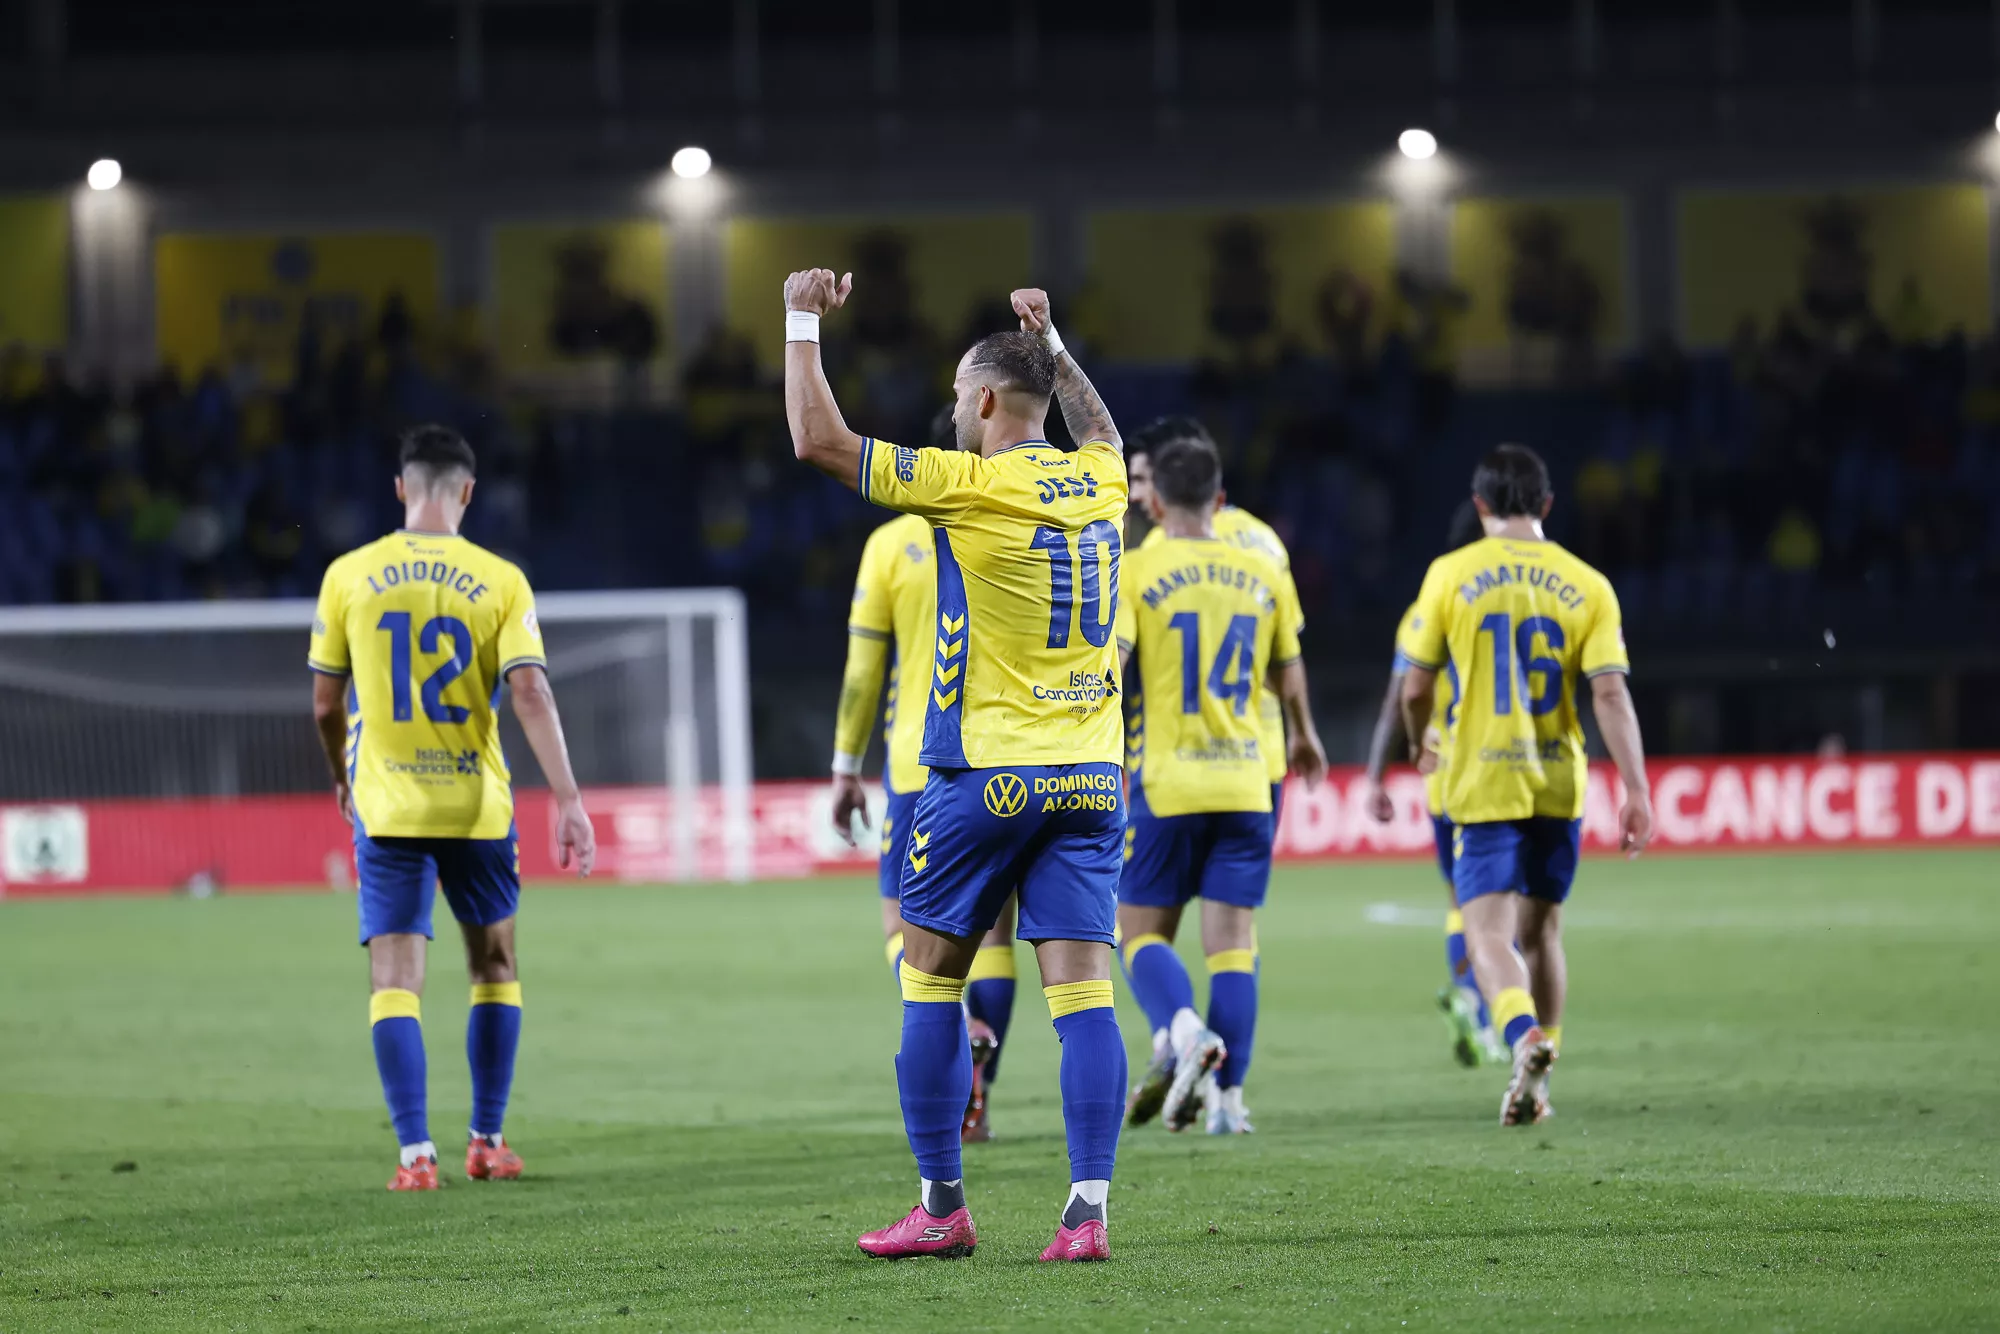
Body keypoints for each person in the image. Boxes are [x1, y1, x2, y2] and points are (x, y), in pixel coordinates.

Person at [785, 269, 1127, 1263]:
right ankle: (1086, 1213)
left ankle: (941, 1206)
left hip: (986, 776)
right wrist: (1053, 344)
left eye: (954, 394)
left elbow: (818, 440)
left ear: (982, 403)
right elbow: (1100, 428)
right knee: (1084, 998)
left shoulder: (966, 485)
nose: (949, 409)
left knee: (930, 982)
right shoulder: (1104, 480)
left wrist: (800, 318)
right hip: (1091, 776)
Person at [308, 424, 596, 1190]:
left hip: (388, 808)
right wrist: (568, 799)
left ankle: (415, 1156)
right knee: (494, 965)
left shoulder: (347, 575)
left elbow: (325, 704)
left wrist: (342, 775)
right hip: (477, 809)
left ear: (401, 488)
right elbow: (530, 693)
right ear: (468, 491)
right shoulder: (501, 579)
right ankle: (487, 1142)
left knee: (395, 979)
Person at [1396, 444, 1652, 1126]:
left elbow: (1415, 686)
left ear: (1479, 505)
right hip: (1558, 782)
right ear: (1547, 504)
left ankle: (1523, 1036)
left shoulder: (1451, 574)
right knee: (1543, 934)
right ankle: (1543, 1072)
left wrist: (1419, 738)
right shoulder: (1588, 584)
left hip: (1482, 779)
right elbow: (1609, 695)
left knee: (1487, 934)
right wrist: (1636, 790)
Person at [1115, 435, 1327, 1137]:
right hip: (1246, 782)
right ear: (1219, 498)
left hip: (1169, 783)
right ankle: (1228, 1104)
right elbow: (1288, 667)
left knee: (1137, 934)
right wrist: (1303, 733)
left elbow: (1114, 666)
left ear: (1153, 501)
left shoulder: (1137, 570)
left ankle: (1182, 1031)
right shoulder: (1263, 571)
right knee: (1233, 945)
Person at [829, 404, 1017, 1144]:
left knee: (905, 932)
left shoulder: (888, 546)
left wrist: (846, 767)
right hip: (1006, 759)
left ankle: (961, 1029)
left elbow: (863, 671)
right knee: (993, 938)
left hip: (920, 766)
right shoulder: (1014, 522)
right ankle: (980, 1097)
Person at [1362, 502, 1506, 1068]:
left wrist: (1377, 774)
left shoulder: (1426, 606)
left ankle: (1470, 1000)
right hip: (1502, 770)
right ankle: (1498, 1017)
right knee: (1506, 907)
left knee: (1459, 901)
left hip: (1443, 777)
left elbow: (1400, 698)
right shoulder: (1513, 596)